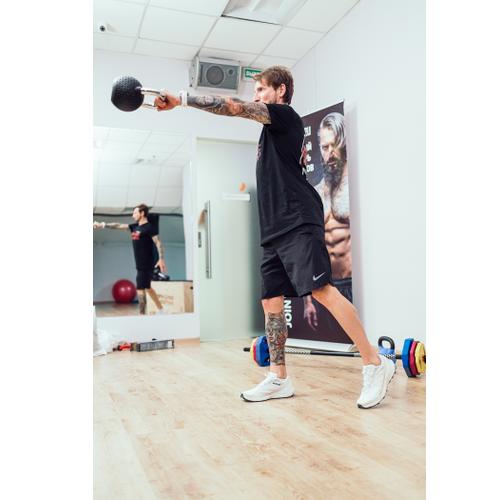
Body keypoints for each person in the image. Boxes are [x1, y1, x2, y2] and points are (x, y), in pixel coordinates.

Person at [153, 66, 394, 409]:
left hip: (297, 219)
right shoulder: (270, 134)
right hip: (273, 228)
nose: (256, 96)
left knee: (321, 291)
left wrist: (182, 100)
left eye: (261, 89)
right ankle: (279, 377)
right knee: (270, 302)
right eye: (256, 91)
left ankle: (374, 362)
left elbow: (233, 107)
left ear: (280, 91)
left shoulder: (284, 116)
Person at [303, 112, 353, 329]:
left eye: (335, 145)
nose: (330, 153)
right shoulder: (316, 193)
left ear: (343, 145)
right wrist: (307, 300)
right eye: (325, 147)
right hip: (327, 286)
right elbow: (308, 248)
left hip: (354, 283)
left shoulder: (353, 189)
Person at [93, 204, 167, 315]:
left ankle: (142, 315)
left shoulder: (149, 227)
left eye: (135, 213)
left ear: (142, 213)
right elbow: (118, 225)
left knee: (140, 289)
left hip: (147, 263)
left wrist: (161, 259)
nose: (133, 215)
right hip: (139, 263)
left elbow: (158, 242)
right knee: (148, 288)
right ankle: (161, 310)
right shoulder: (135, 227)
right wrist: (103, 224)